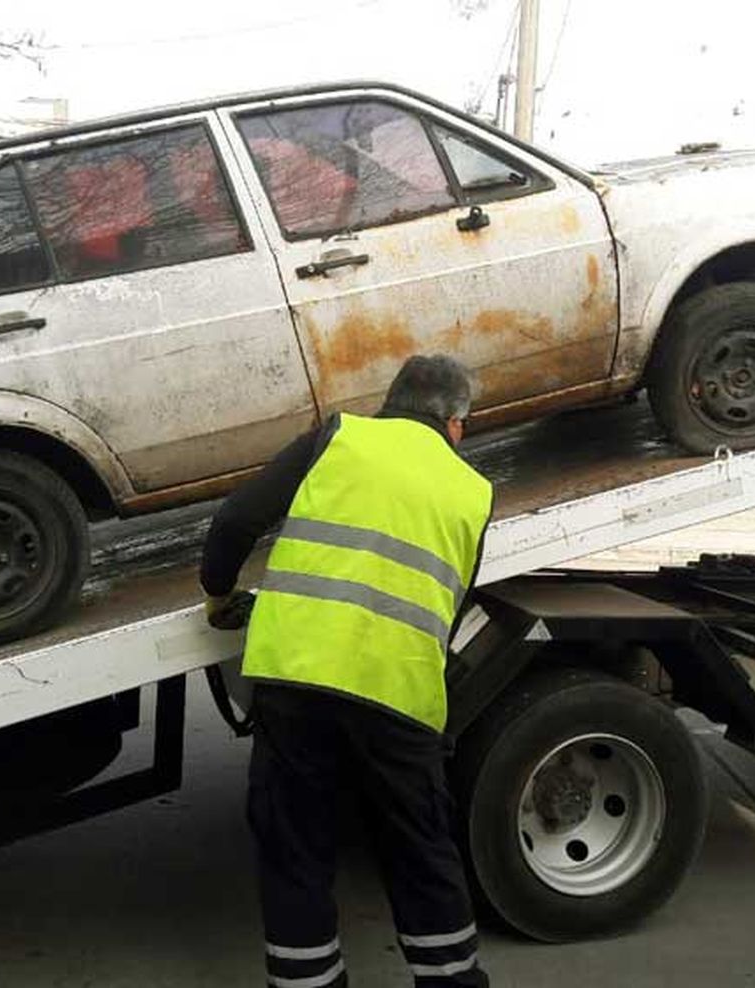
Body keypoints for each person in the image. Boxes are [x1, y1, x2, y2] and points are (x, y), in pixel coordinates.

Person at [200, 354, 493, 988]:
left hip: (298, 681)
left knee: (296, 849)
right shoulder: (475, 491)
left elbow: (235, 522)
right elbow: (452, 600)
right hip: (401, 696)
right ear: (456, 425)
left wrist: (219, 598)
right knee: (420, 852)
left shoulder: (338, 435)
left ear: (391, 402)